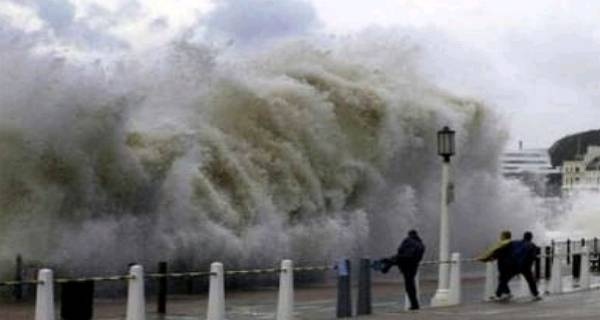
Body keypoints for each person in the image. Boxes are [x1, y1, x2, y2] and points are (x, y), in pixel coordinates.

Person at [478, 230, 516, 301]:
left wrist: (487, 258)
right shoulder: (511, 244)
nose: (500, 237)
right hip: (508, 264)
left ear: (504, 236)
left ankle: (498, 295)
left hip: (505, 264)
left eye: (501, 235)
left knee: (503, 279)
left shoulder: (504, 244)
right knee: (502, 279)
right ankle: (508, 293)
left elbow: (498, 253)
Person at [396, 229, 425, 310]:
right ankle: (415, 304)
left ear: (409, 234)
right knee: (411, 284)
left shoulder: (407, 240)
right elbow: (420, 255)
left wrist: (399, 263)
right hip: (414, 267)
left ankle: (414, 305)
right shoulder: (420, 244)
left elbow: (400, 250)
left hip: (406, 265)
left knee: (409, 286)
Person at [512, 231, 541, 300]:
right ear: (531, 237)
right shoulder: (531, 245)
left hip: (516, 264)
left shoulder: (518, 243)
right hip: (526, 266)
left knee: (505, 278)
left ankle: (501, 293)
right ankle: (536, 295)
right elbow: (533, 256)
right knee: (531, 281)